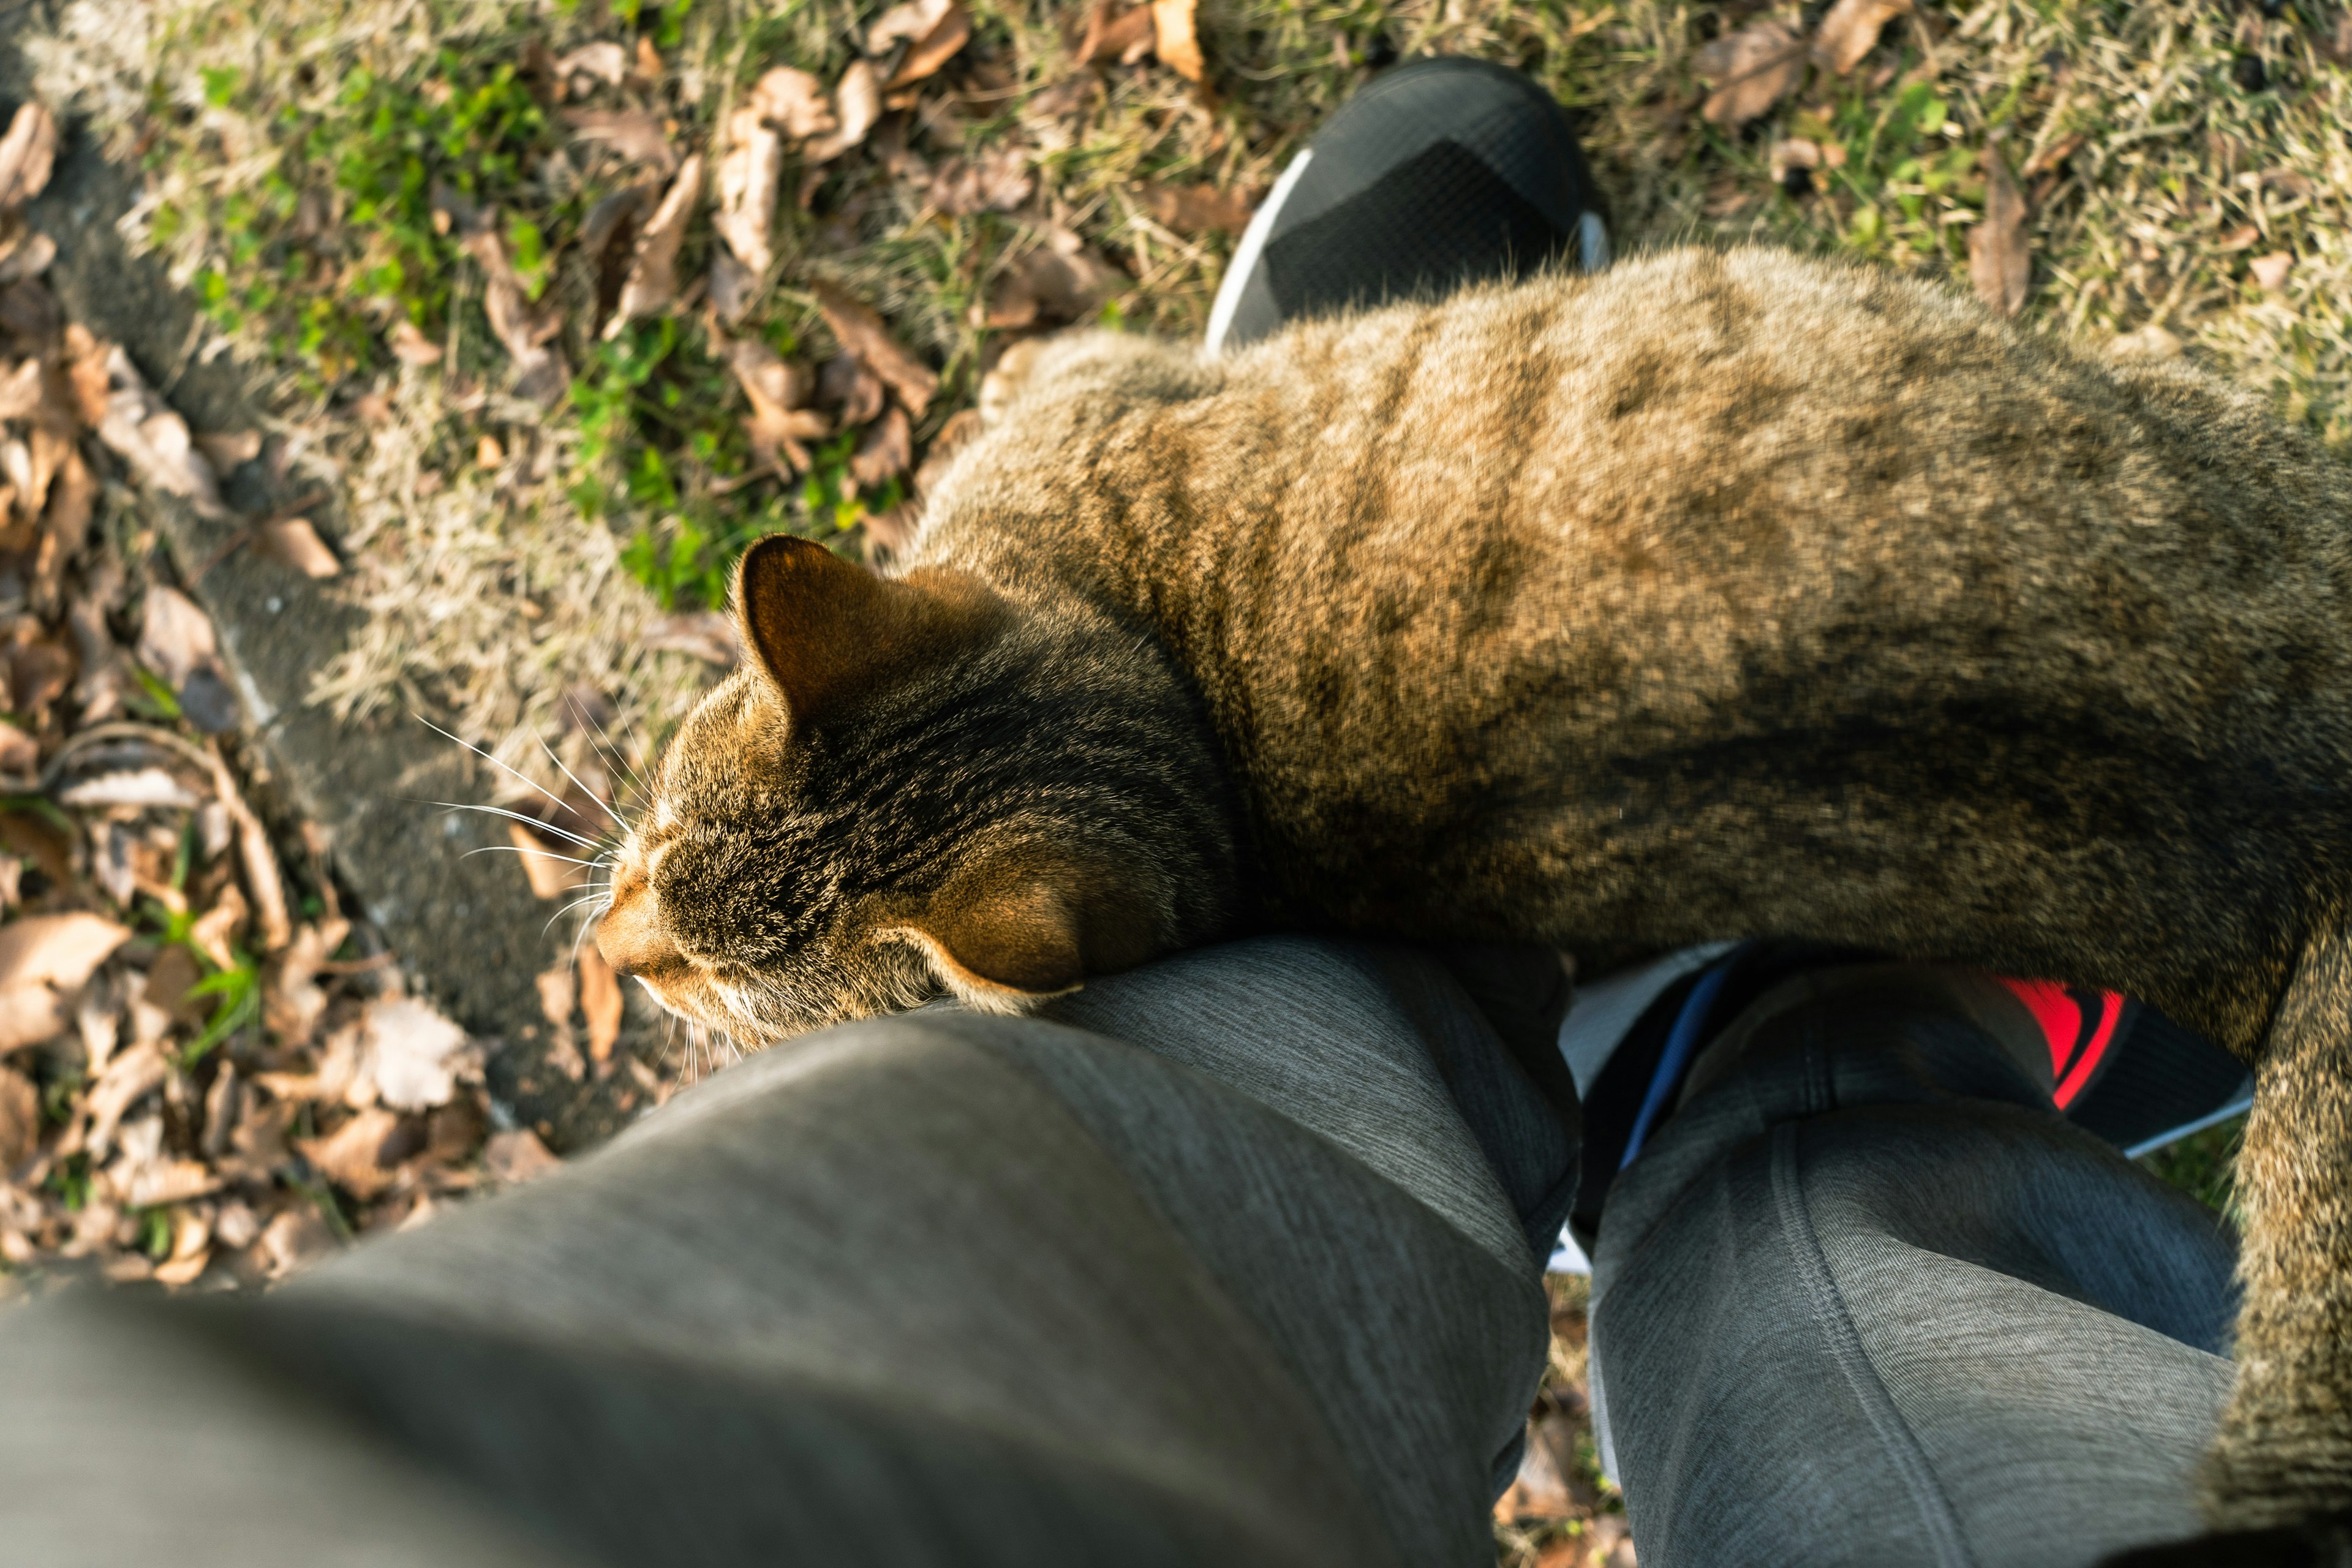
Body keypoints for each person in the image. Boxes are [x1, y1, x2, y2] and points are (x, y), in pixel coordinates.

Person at [0, 61, 2250, 1568]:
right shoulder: (917, 722)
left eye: (668, 928)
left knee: (1103, 1127)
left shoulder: (978, 852)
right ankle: (1847, 1067)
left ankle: (1463, 1034)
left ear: (850, 626)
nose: (630, 950)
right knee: (1966, 1383)